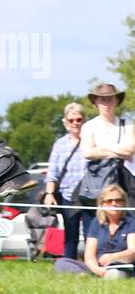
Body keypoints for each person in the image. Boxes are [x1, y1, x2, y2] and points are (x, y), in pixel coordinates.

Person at [53, 185, 135, 277]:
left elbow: (132, 252)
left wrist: (112, 257)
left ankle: (96, 276)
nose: (114, 203)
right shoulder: (96, 222)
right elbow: (89, 255)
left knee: (117, 273)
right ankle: (89, 275)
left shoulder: (132, 221)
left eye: (118, 200)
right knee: (61, 263)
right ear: (102, 204)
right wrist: (97, 270)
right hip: (98, 266)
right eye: (109, 201)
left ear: (124, 203)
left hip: (122, 265)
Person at [43, 102, 87, 260]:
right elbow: (52, 173)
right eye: (71, 120)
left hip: (90, 196)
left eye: (79, 119)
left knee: (91, 235)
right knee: (71, 236)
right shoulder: (59, 145)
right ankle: (70, 266)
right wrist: (49, 193)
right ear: (65, 122)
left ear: (84, 120)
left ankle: (93, 267)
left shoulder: (91, 141)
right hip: (68, 197)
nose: (75, 123)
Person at [79, 82, 135, 206]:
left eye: (110, 99)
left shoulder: (128, 124)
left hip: (125, 183)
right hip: (97, 185)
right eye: (102, 100)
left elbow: (130, 150)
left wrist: (102, 147)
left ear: (116, 101)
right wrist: (118, 151)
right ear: (96, 102)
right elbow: (88, 152)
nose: (106, 103)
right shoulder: (89, 126)